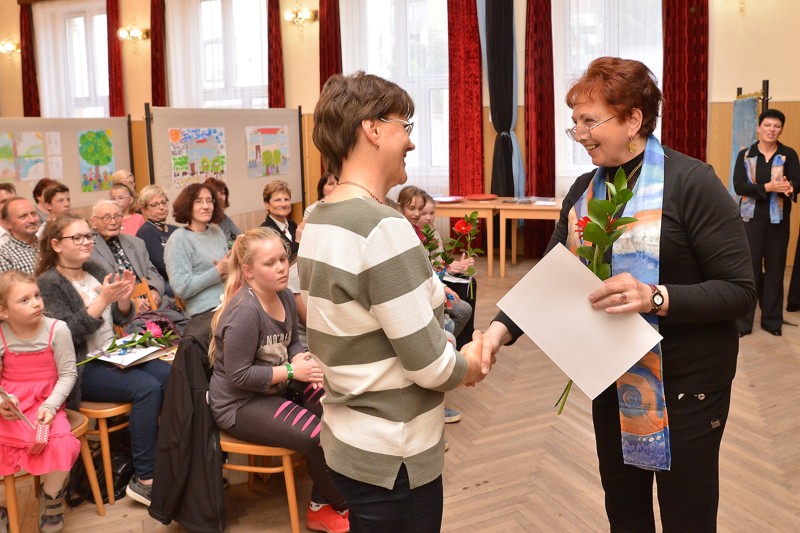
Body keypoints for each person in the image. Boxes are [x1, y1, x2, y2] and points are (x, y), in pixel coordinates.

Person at [481, 57, 755, 532]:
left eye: (590, 121)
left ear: (633, 119)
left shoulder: (691, 183)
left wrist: (655, 298)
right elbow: (551, 275)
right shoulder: (584, 192)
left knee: (687, 514)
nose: (580, 135)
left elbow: (739, 291)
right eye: (575, 123)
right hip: (613, 375)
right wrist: (497, 332)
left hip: (687, 381)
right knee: (624, 509)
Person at [298, 71, 486, 532]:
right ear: (373, 129)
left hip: (346, 440)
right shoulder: (382, 226)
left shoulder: (318, 216)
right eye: (406, 126)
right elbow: (430, 366)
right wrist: (470, 365)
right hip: (393, 452)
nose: (411, 142)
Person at [209, 227, 349, 533]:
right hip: (240, 403)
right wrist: (291, 371)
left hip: (276, 388)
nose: (282, 268)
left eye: (283, 259)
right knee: (318, 435)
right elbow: (238, 376)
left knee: (340, 409)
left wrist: (301, 359)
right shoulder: (244, 313)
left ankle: (321, 502)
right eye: (270, 263)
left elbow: (291, 342)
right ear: (248, 271)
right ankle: (340, 506)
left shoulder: (284, 295)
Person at [36, 213, 171, 507]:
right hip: (81, 367)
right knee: (146, 388)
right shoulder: (48, 283)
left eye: (88, 236)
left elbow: (122, 317)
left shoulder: (94, 269)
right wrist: (102, 300)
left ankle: (170, 457)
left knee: (170, 374)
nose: (87, 242)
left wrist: (122, 299)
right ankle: (145, 478)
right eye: (77, 237)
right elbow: (66, 335)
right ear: (56, 244)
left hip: (113, 352)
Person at [0, 270, 81, 533]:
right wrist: (2, 402)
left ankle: (51, 495)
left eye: (37, 295)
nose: (36, 303)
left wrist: (50, 406)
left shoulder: (57, 329)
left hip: (46, 404)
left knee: (59, 443)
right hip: (11, 407)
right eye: (24, 300)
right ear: (3, 312)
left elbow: (68, 374)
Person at [732, 109, 800, 335]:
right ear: (758, 128)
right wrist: (767, 187)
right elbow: (739, 186)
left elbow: (797, 182)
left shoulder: (788, 154)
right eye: (768, 125)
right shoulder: (746, 155)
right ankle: (743, 323)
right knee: (748, 271)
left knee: (775, 270)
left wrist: (790, 187)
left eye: (777, 126)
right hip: (750, 220)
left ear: (781, 130)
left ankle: (772, 321)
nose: (772, 129)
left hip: (778, 220)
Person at [164, 184, 230, 316]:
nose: (206, 206)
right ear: (188, 206)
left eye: (209, 201)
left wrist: (228, 273)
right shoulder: (178, 239)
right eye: (199, 201)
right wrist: (217, 272)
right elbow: (182, 288)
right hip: (205, 310)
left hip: (229, 300)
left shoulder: (217, 233)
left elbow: (226, 272)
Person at [89, 200, 165, 311]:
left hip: (151, 303)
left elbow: (151, 271)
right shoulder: (89, 249)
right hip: (119, 310)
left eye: (117, 216)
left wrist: (154, 290)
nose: (113, 222)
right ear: (94, 222)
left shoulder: (136, 242)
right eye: (107, 217)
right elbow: (95, 288)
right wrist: (129, 301)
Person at [136, 185, 178, 297]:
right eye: (155, 205)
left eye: (163, 202)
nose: (162, 207)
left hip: (180, 275)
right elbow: (163, 266)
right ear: (144, 210)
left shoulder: (175, 230)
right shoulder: (146, 232)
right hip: (163, 282)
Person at [0, 198, 41, 275]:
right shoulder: (3, 255)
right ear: (8, 223)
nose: (32, 220)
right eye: (23, 216)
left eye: (33, 214)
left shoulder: (49, 246)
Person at [260, 180, 298, 257]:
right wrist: (298, 241)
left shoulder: (293, 224)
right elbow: (282, 257)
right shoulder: (264, 232)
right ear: (266, 204)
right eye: (278, 200)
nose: (284, 204)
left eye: (286, 199)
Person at [202, 177, 242, 243]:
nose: (220, 197)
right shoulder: (202, 222)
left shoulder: (224, 218)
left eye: (222, 193)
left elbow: (240, 235)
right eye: (216, 194)